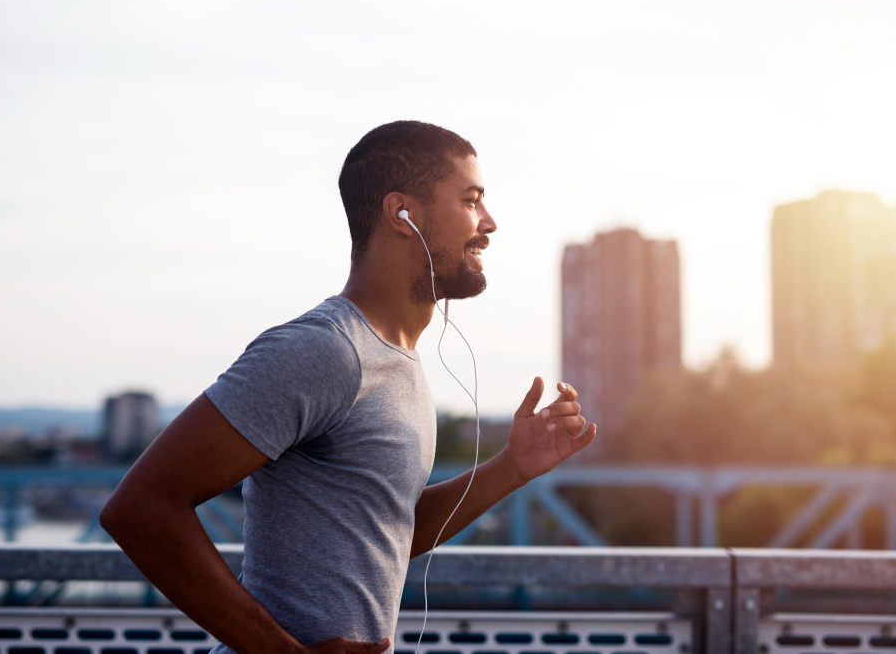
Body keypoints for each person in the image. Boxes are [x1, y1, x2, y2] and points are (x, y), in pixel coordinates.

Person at [99, 120, 597, 654]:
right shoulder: (324, 350)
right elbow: (140, 507)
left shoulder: (396, 362)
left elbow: (386, 534)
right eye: (471, 200)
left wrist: (511, 468)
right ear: (401, 213)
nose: (490, 223)